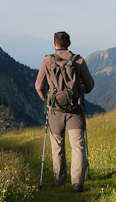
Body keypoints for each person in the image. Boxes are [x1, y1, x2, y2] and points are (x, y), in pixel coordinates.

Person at [35, 31, 95, 192]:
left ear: (54, 44)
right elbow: (90, 85)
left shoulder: (47, 61)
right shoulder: (78, 60)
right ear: (69, 44)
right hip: (75, 109)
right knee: (78, 145)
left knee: (57, 145)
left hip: (55, 111)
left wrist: (47, 98)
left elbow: (38, 86)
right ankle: (77, 183)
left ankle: (59, 180)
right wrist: (80, 88)